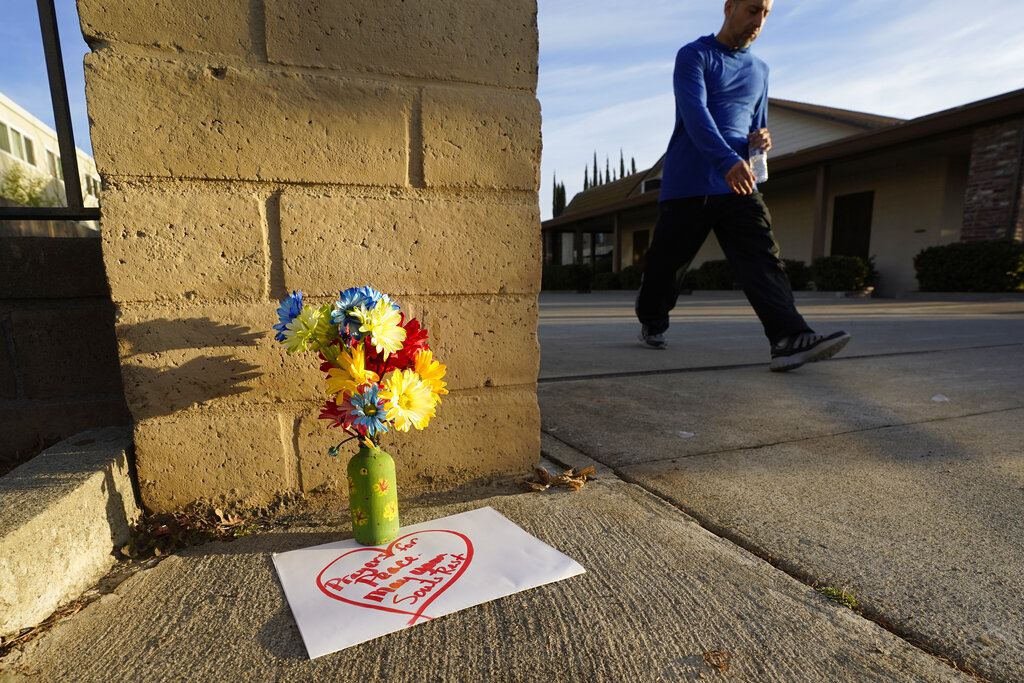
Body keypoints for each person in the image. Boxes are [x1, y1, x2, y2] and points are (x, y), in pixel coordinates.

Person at [635, 0, 850, 372]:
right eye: (752, 10)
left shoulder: (760, 70)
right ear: (729, 7)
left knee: (762, 256)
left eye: (766, 13)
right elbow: (695, 114)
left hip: (738, 183)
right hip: (688, 183)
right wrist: (726, 161)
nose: (759, 21)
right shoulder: (694, 56)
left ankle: (788, 338)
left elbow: (757, 124)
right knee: (666, 268)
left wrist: (761, 140)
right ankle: (651, 317)